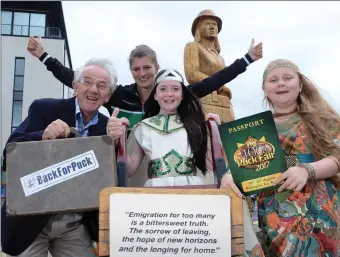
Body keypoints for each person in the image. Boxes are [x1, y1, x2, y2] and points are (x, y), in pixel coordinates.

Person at [221, 59, 340, 256]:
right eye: (273, 80)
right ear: (264, 89)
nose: (281, 83)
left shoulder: (325, 120)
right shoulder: (252, 129)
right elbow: (238, 167)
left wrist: (307, 170)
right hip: (273, 214)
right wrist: (228, 176)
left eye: (287, 78)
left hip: (318, 211)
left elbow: (337, 158)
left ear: (300, 85)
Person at [1, 58, 116, 257]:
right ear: (74, 87)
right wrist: (42, 136)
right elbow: (9, 153)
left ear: (108, 95)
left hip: (75, 222)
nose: (94, 89)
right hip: (32, 216)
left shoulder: (107, 128)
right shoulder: (44, 109)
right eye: (87, 82)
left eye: (102, 85)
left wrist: (119, 140)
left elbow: (110, 175)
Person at [27, 36, 263, 128]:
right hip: (127, 162)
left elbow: (210, 83)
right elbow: (74, 79)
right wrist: (44, 56)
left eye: (147, 68)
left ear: (156, 68)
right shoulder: (118, 95)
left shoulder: (170, 95)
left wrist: (247, 59)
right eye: (136, 69)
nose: (143, 74)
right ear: (131, 71)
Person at [107, 68, 221, 186]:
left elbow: (212, 166)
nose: (169, 94)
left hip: (191, 189)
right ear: (155, 95)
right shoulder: (143, 127)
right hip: (155, 191)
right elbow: (129, 170)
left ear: (182, 95)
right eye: (163, 89)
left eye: (175, 89)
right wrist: (118, 140)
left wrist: (214, 132)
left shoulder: (196, 126)